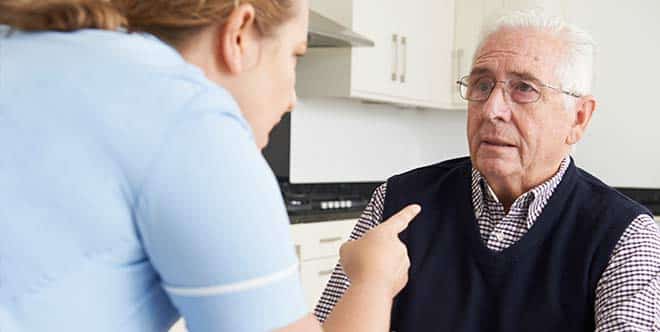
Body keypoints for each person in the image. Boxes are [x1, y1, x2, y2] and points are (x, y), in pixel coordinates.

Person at [0, 1, 420, 331]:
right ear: (238, 34)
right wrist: (373, 282)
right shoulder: (191, 117)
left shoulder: (29, 48)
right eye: (295, 55)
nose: (293, 98)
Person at [315, 10, 660, 332]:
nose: (492, 109)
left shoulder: (625, 237)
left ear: (578, 118)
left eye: (524, 88)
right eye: (482, 85)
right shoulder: (396, 205)